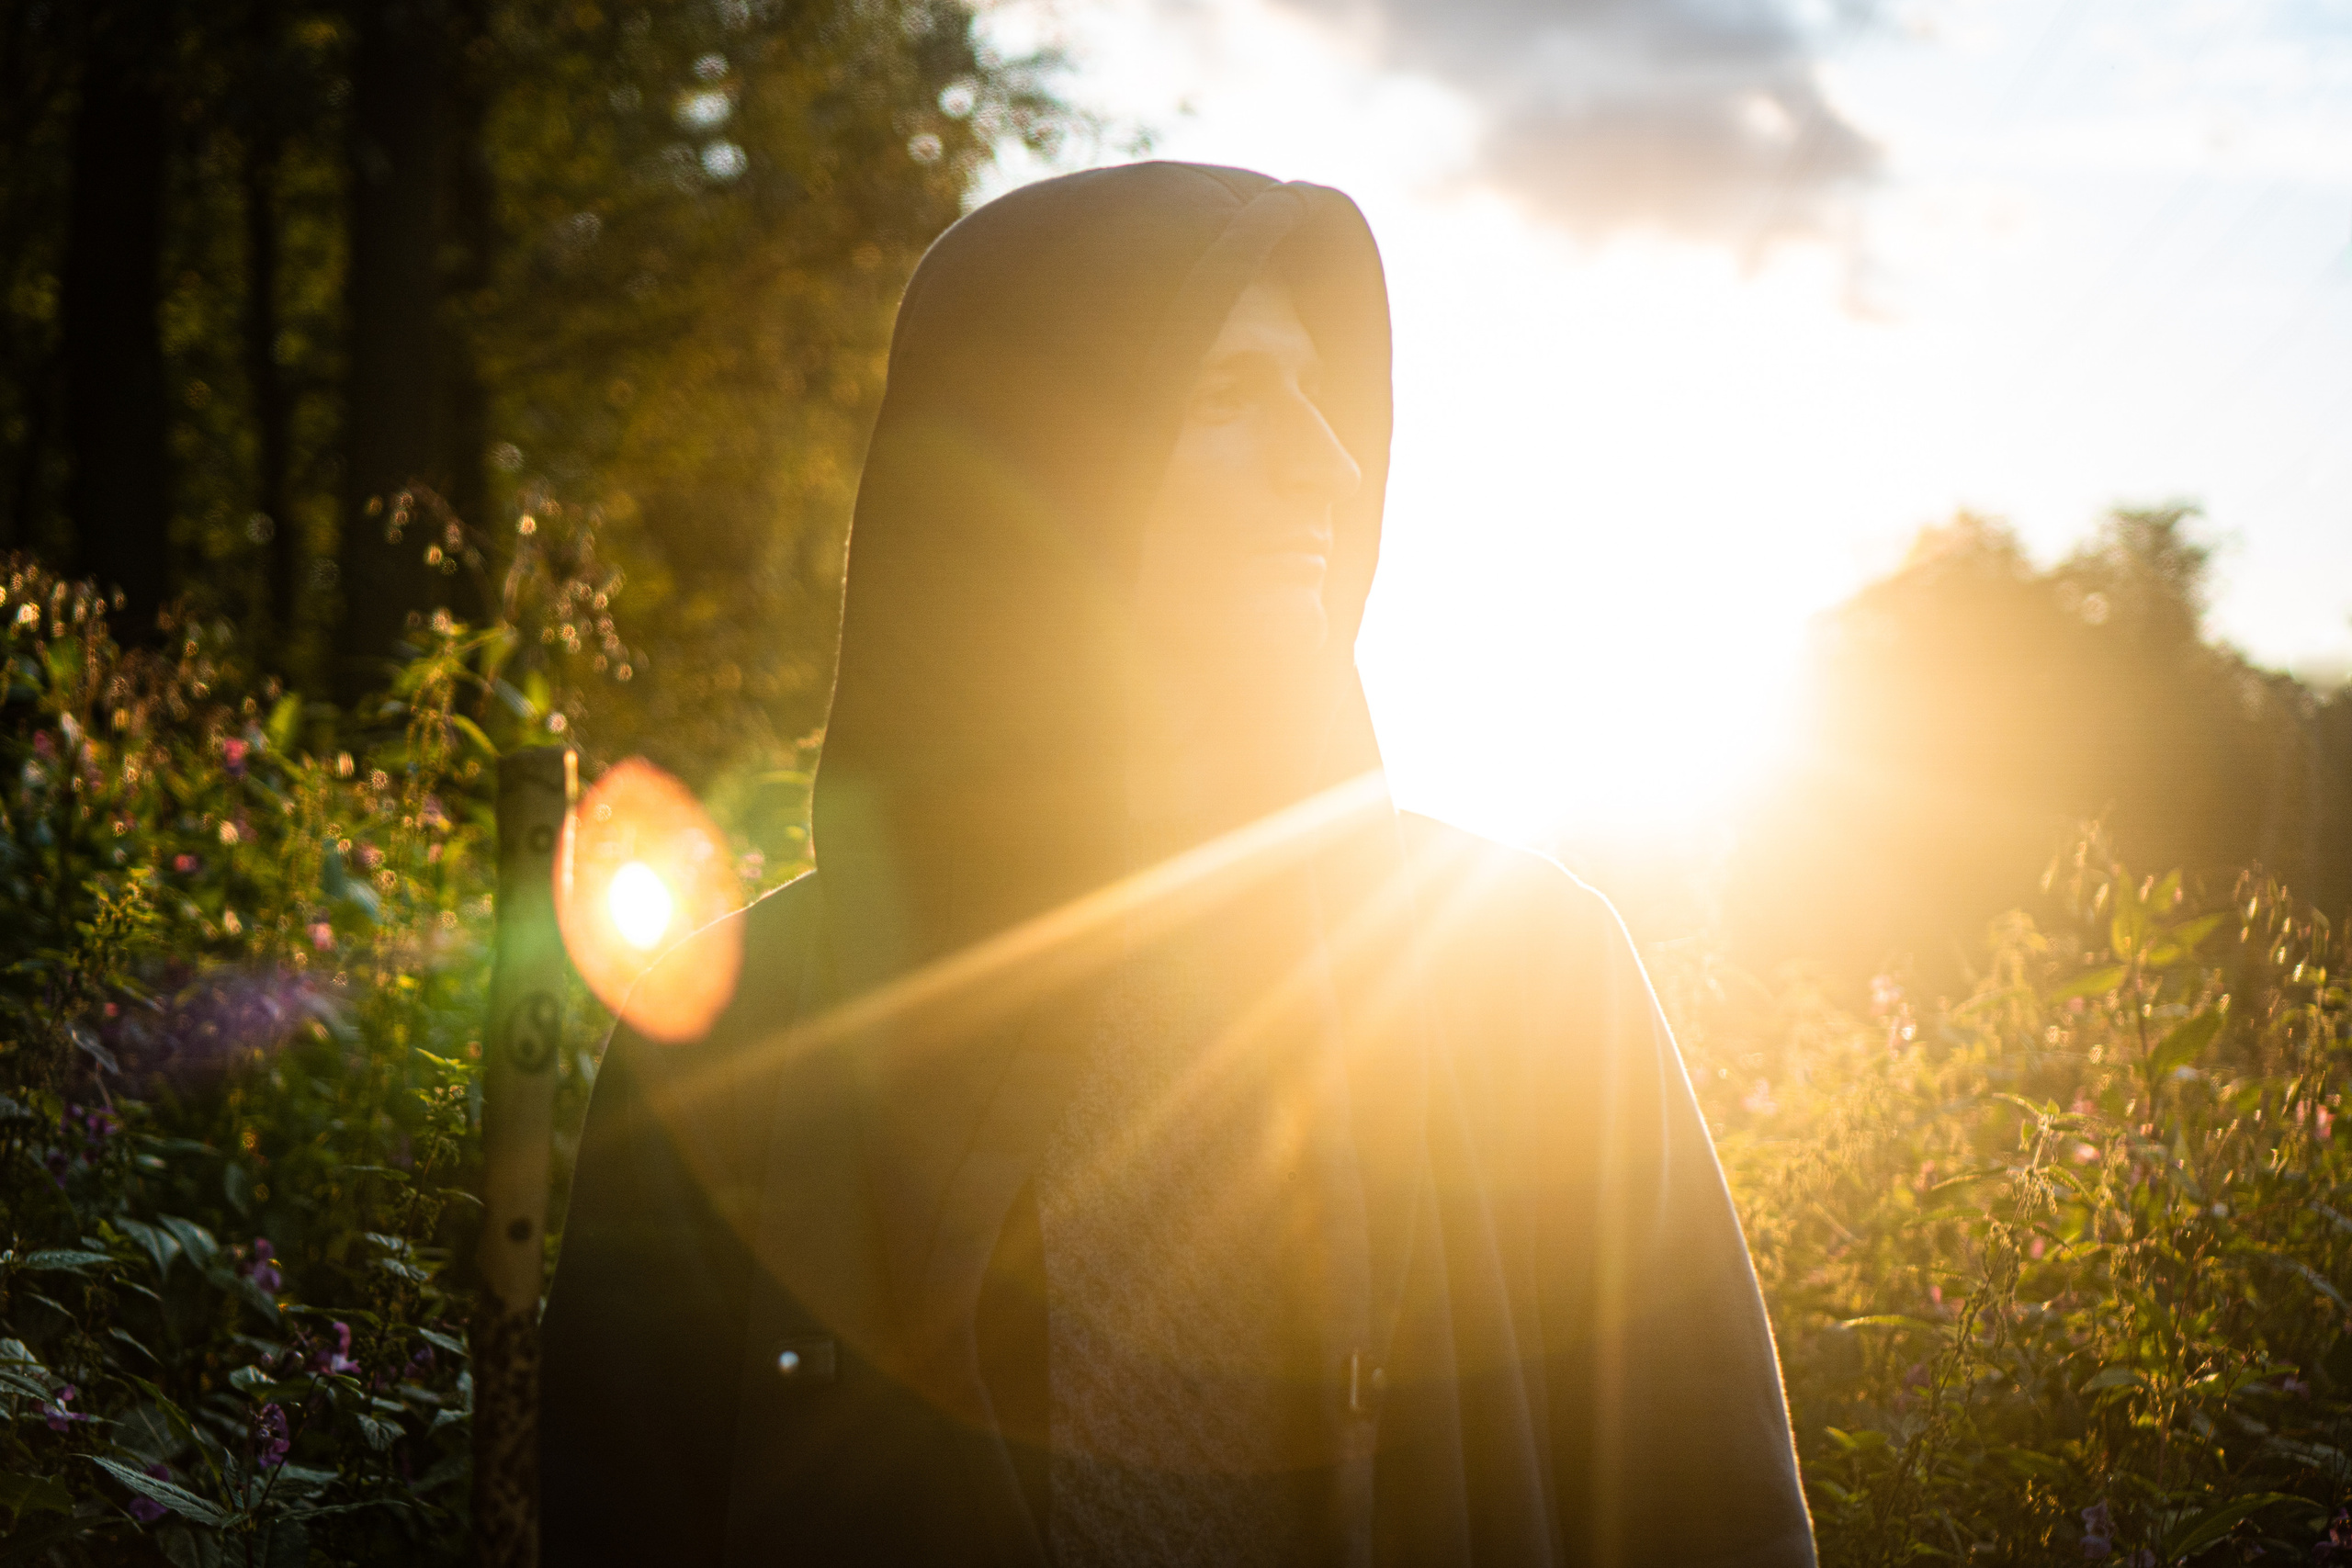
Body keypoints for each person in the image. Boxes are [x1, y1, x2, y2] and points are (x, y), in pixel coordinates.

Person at [539, 161, 1815, 1567]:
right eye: (1229, 398)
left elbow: (1713, 1521)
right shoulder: (729, 1055)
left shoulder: (1528, 974)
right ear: (1029, 477)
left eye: (1320, 396)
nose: (1328, 465)